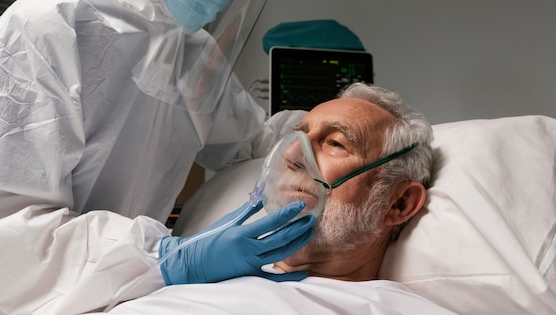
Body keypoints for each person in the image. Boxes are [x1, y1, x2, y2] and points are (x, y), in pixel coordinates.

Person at [0, 0, 313, 314]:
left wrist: (330, 127)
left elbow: (253, 145)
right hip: (7, 293)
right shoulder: (48, 25)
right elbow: (8, 224)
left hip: (123, 286)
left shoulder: (192, 52)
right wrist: (165, 256)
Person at [88, 82, 459, 315]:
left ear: (398, 204)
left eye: (335, 143)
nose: (293, 156)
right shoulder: (184, 272)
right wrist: (167, 266)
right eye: (295, 138)